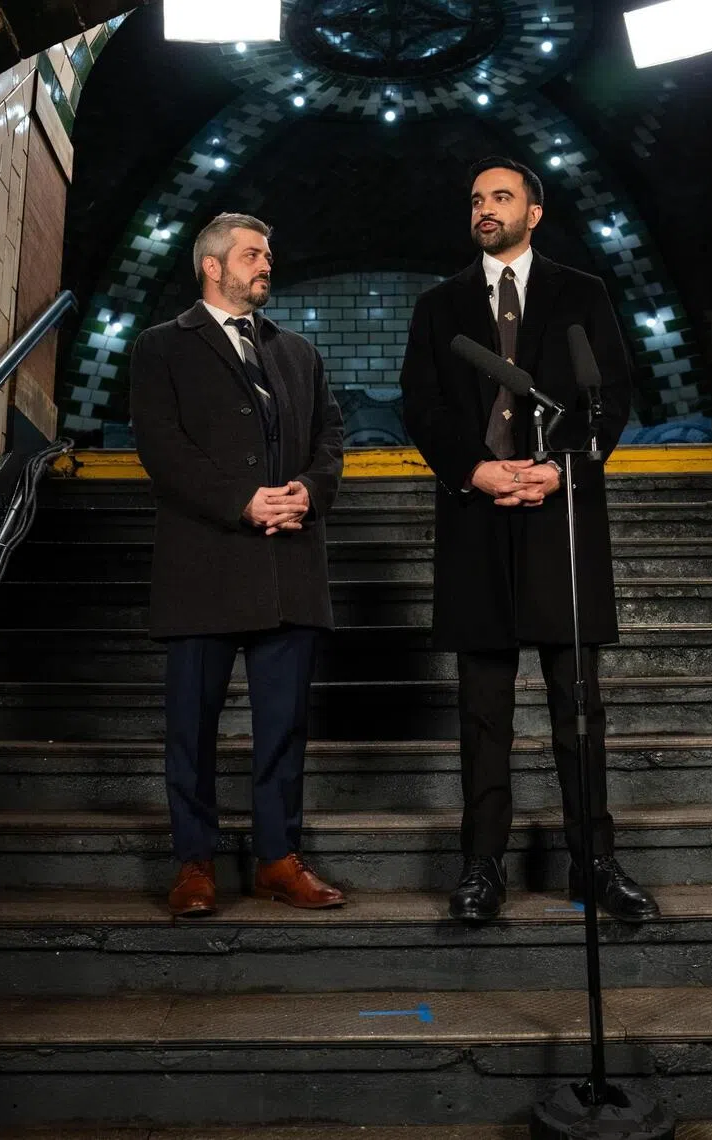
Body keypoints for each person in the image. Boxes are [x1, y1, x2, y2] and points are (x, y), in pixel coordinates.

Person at [399, 157, 660, 924]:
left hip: (561, 515)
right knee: (483, 709)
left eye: (501, 196)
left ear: (534, 212)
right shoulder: (440, 304)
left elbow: (607, 393)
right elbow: (422, 404)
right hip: (477, 518)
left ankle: (595, 863)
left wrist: (561, 468)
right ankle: (481, 867)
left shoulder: (583, 293)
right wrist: (475, 470)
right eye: (476, 198)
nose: (485, 208)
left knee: (579, 703)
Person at [130, 212, 346, 917]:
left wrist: (308, 492)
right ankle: (195, 864)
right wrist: (242, 502)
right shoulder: (161, 347)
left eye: (269, 252)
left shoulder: (299, 354)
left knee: (283, 725)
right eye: (254, 253)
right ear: (212, 266)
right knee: (191, 725)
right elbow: (163, 451)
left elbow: (329, 442)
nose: (267, 263)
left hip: (291, 566)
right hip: (205, 569)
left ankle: (277, 859)